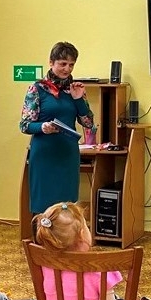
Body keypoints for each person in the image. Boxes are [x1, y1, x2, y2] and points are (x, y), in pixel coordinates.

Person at [19, 42, 95, 213]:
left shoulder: (75, 89)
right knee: (43, 208)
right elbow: (24, 125)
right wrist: (42, 127)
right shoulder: (37, 89)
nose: (67, 69)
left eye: (71, 65)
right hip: (44, 155)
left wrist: (78, 99)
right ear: (51, 62)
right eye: (63, 64)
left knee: (67, 208)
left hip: (67, 155)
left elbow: (88, 123)